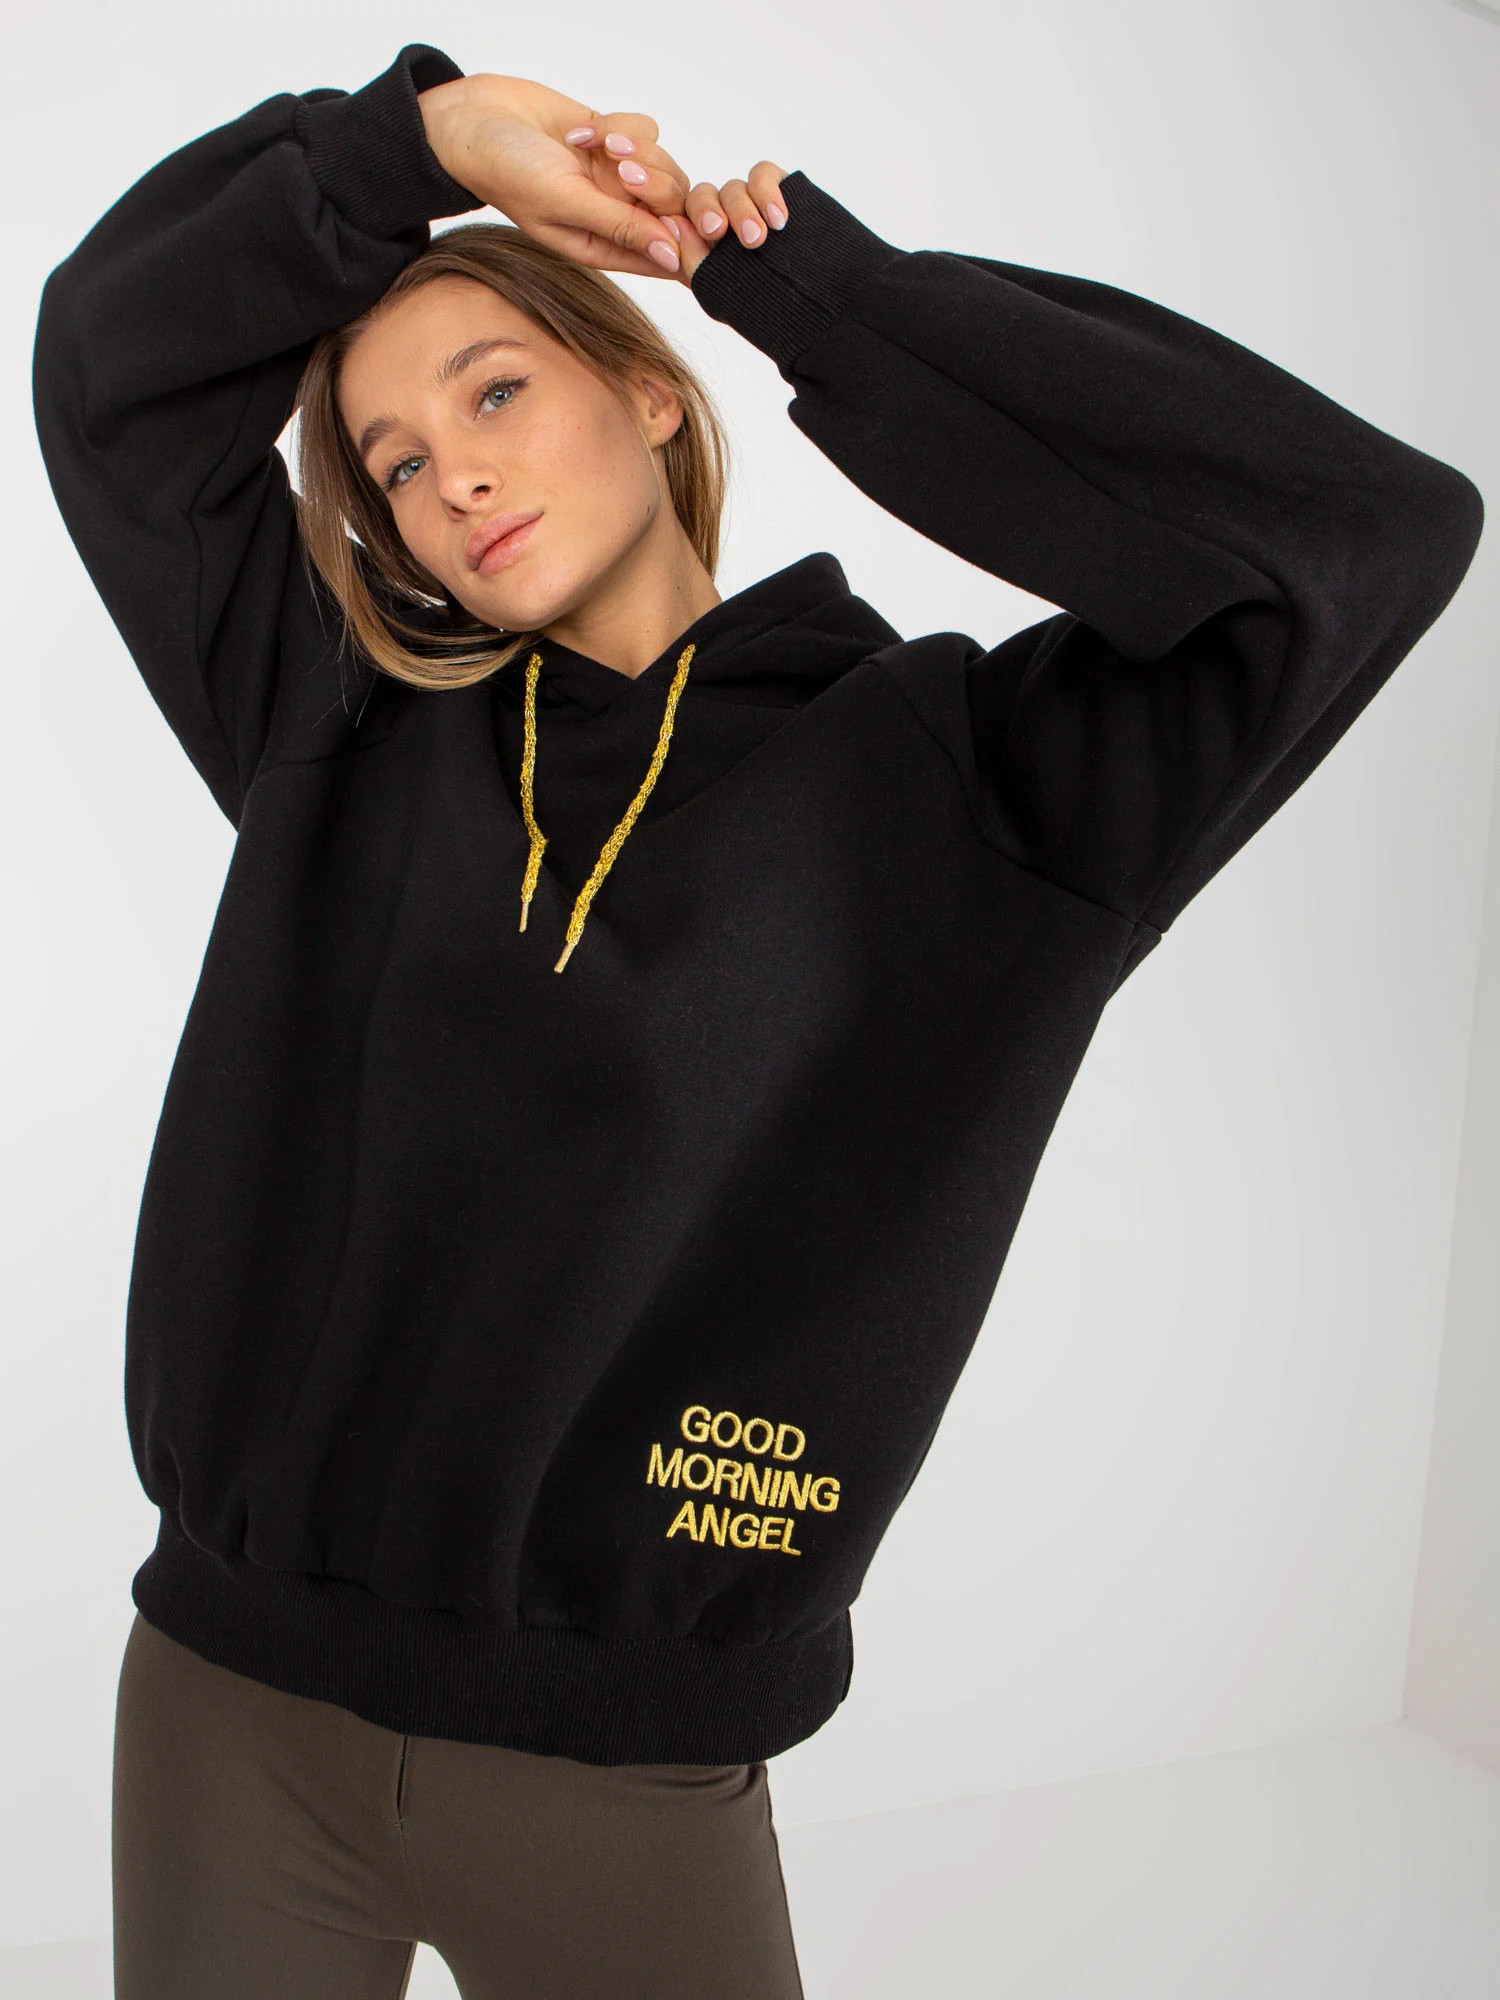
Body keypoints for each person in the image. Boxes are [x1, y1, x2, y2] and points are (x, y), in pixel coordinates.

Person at [31, 39, 1484, 2000]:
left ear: (645, 388)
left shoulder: (976, 787)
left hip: (616, 1777)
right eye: (393, 463)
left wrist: (810, 294)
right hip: (225, 1713)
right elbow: (108, 372)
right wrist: (418, 142)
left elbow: (1357, 540)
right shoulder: (338, 734)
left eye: (493, 390)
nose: (451, 474)